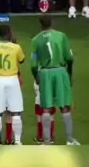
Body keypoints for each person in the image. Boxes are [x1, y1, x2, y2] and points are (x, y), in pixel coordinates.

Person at [31, 14, 79, 145]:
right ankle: (69, 139)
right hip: (60, 72)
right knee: (65, 106)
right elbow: (69, 58)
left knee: (46, 107)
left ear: (40, 25)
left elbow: (33, 63)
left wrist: (36, 76)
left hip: (45, 73)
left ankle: (47, 141)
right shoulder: (61, 36)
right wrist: (69, 73)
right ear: (51, 23)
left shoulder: (36, 40)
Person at [0, 23, 25, 146]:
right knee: (16, 112)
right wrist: (15, 43)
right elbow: (22, 60)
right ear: (9, 33)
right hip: (13, 79)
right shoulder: (16, 47)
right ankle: (17, 141)